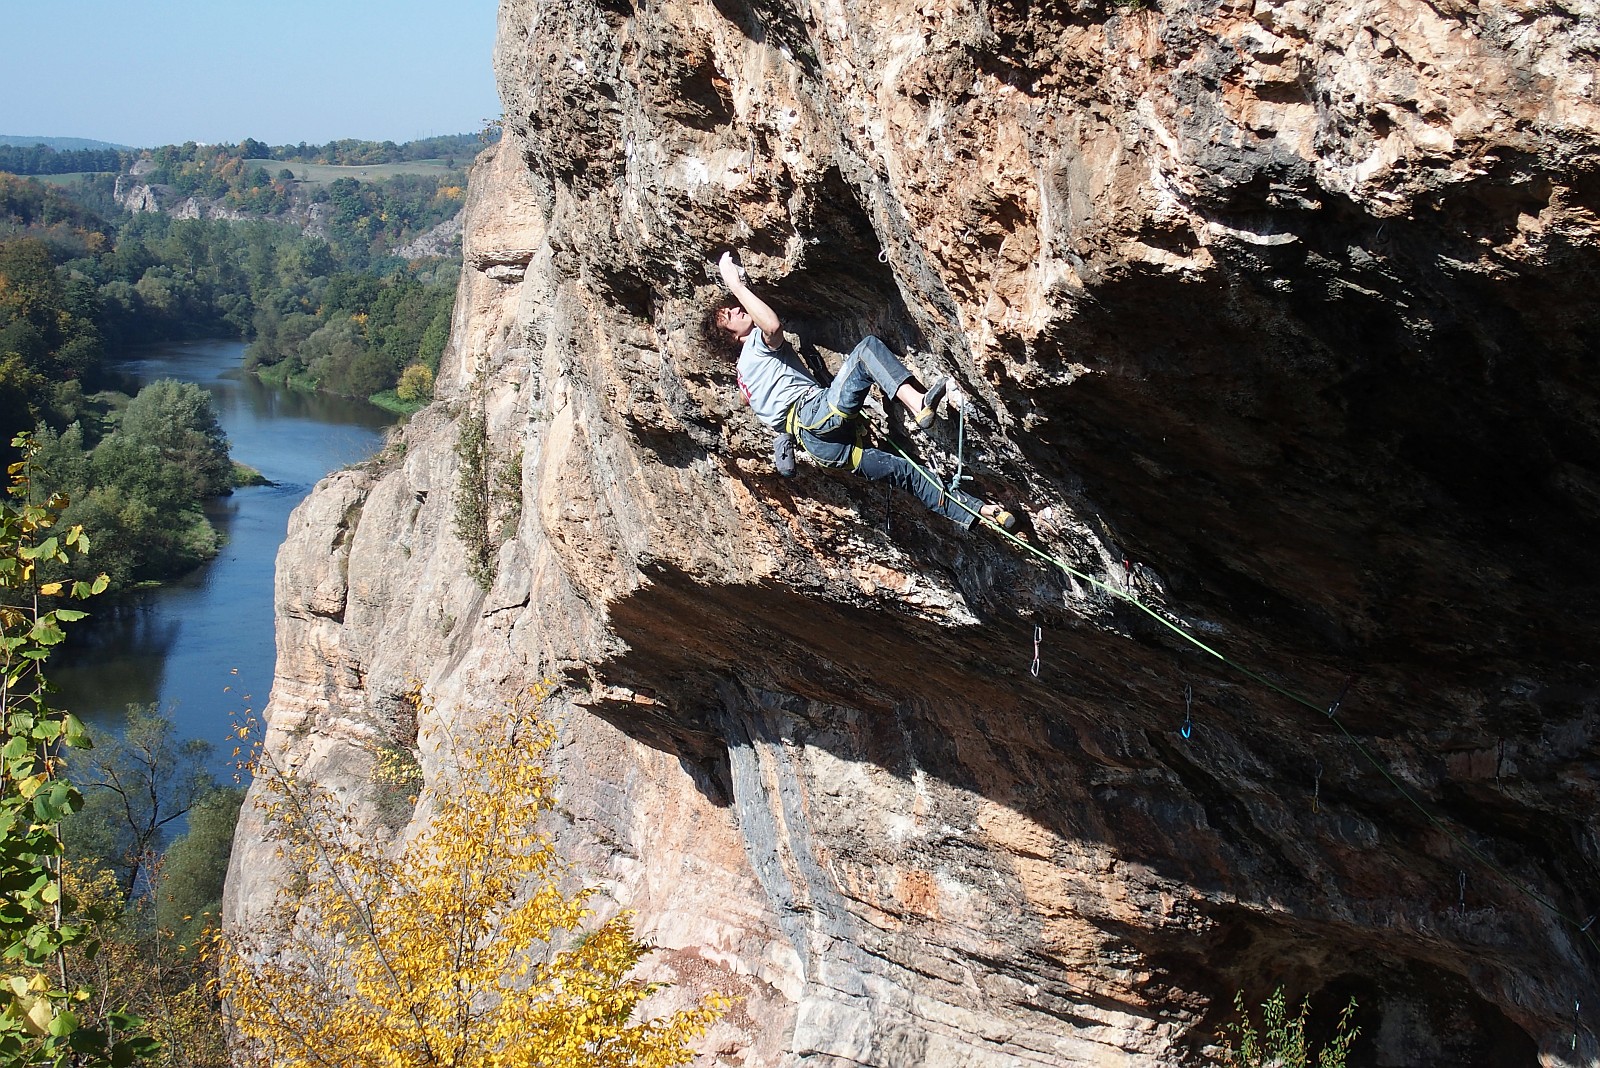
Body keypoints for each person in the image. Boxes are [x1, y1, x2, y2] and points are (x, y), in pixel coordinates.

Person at [705, 251, 1014, 532]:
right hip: (814, 416)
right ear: (732, 338)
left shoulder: (743, 374)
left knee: (904, 472)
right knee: (867, 351)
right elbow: (772, 326)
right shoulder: (756, 344)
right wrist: (737, 286)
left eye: (732, 308)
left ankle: (980, 511)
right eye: (729, 316)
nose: (735, 309)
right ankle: (918, 403)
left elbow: (751, 393)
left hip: (821, 446)